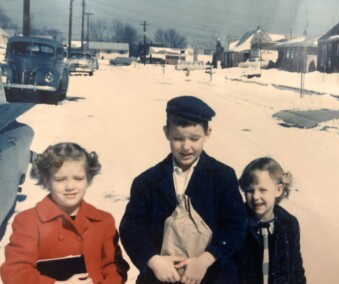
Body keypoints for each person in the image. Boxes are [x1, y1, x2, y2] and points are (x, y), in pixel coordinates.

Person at [119, 95, 246, 284]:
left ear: (208, 133)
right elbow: (131, 228)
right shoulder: (147, 182)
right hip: (160, 277)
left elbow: (235, 225)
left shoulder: (222, 176)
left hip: (211, 276)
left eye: (195, 139)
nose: (186, 147)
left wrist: (205, 260)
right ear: (166, 132)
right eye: (178, 138)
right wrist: (154, 261)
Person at [0, 142, 129, 284]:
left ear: (89, 179)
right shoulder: (28, 221)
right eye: (60, 179)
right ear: (47, 181)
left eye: (78, 179)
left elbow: (113, 267)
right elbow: (15, 272)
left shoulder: (103, 220)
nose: (70, 187)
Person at [235, 157, 306, 284]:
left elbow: (296, 268)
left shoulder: (289, 223)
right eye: (250, 190)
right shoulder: (236, 222)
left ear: (278, 190)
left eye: (262, 190)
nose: (256, 197)